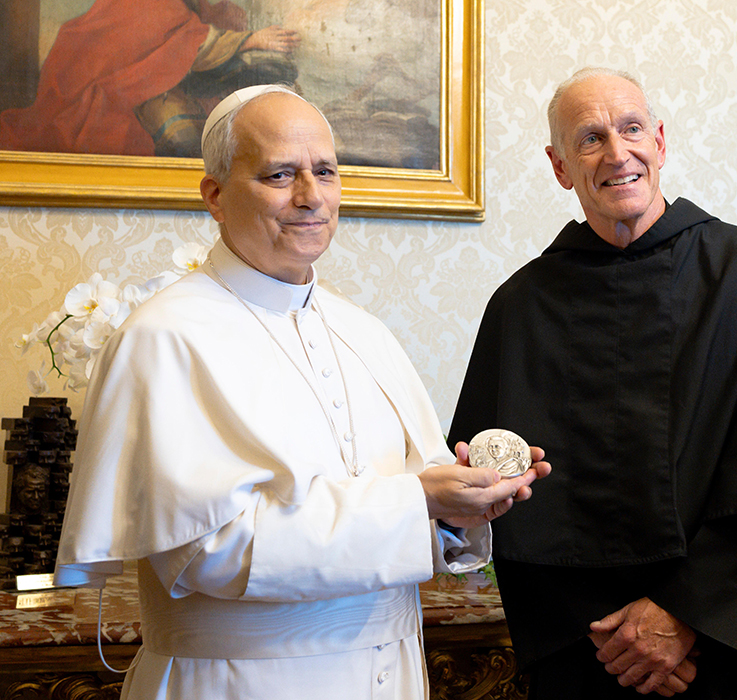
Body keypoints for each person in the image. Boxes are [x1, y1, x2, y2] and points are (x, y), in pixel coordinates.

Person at [54, 84, 550, 700]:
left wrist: (455, 511)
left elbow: (419, 506)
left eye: (326, 172)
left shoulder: (365, 332)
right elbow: (209, 550)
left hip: (393, 675)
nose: (311, 196)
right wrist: (417, 500)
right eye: (279, 174)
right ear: (215, 195)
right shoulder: (162, 337)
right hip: (237, 683)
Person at [448, 67, 737, 699]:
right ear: (560, 167)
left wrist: (686, 618)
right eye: (590, 139)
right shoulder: (519, 308)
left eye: (631, 129)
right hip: (590, 656)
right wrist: (620, 641)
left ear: (659, 142)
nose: (617, 153)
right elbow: (507, 498)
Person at [0, 0, 300, 157]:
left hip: (150, 82)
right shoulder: (147, 4)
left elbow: (188, 30)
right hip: (114, 88)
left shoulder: (186, 5)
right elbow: (188, 42)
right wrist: (250, 40)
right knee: (181, 133)